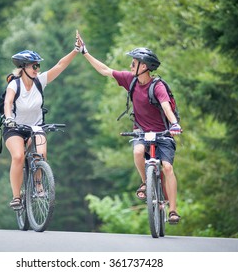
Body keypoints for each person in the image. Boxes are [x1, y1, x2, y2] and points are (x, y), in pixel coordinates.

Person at [76, 32, 182, 224]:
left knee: (167, 167)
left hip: (163, 133)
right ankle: (145, 182)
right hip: (141, 131)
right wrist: (85, 52)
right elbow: (105, 70)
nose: (130, 65)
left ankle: (173, 210)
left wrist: (174, 124)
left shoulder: (157, 86)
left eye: (134, 62)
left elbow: (166, 106)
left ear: (144, 66)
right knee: (138, 151)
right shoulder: (130, 80)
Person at [3, 39, 80, 210]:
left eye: (38, 66)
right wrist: (8, 118)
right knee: (18, 157)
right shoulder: (14, 84)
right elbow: (8, 103)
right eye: (34, 66)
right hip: (14, 127)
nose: (37, 69)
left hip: (35, 126)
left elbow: (59, 66)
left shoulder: (40, 81)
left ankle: (38, 186)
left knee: (40, 153)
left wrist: (76, 50)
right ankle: (16, 197)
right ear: (23, 68)